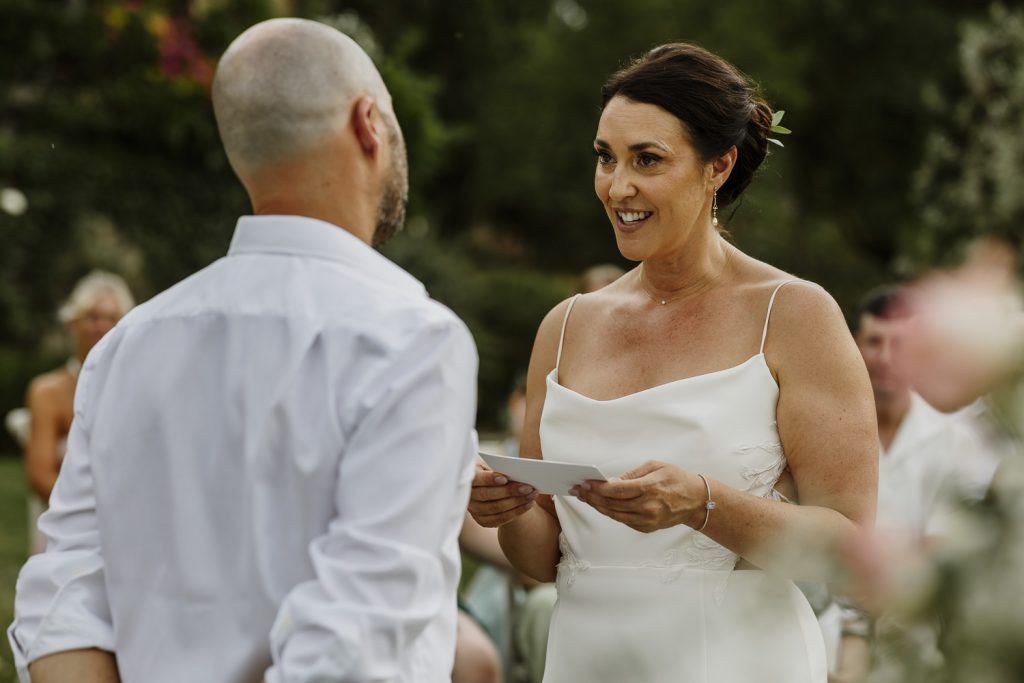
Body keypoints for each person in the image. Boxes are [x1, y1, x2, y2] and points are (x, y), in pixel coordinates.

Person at [8, 18, 478, 683]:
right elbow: (353, 652)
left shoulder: (126, 347)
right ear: (369, 123)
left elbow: (61, 600)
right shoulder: (411, 341)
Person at [468, 43, 876, 683]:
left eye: (647, 160)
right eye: (605, 157)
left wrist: (703, 504)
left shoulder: (794, 315)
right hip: (586, 658)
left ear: (719, 165)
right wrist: (507, 507)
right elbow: (540, 560)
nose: (617, 186)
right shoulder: (566, 326)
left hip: (737, 660)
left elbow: (850, 545)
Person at [824, 286, 981, 682]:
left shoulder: (954, 442)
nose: (887, 358)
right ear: (855, 345)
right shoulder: (824, 433)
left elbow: (945, 550)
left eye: (903, 344)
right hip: (826, 640)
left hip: (915, 647)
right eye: (875, 342)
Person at [17, 271, 134, 554]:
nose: (102, 327)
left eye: (112, 319)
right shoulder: (47, 392)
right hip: (69, 528)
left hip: (131, 526)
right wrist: (99, 516)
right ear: (73, 324)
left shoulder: (137, 388)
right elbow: (40, 476)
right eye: (93, 317)